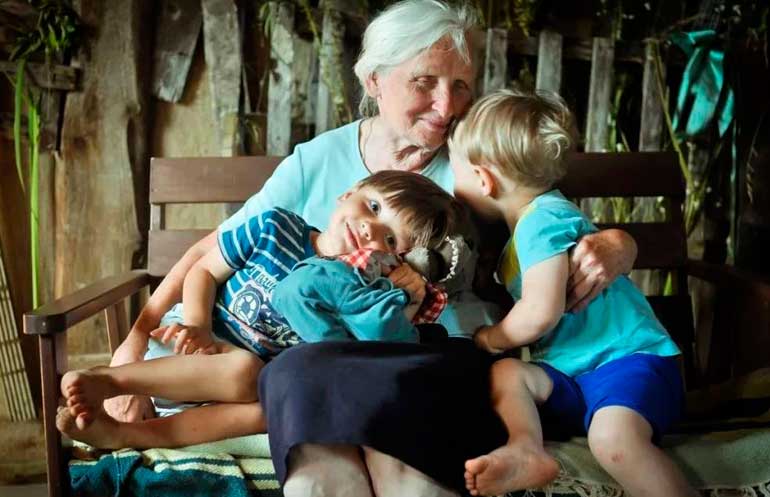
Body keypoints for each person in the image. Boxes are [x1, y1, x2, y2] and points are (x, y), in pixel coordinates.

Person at [105, 1, 639, 495]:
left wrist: (621, 243)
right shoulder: (320, 160)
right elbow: (216, 249)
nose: (446, 104)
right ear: (374, 80)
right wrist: (133, 341)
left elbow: (554, 220)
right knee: (297, 380)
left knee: (384, 385)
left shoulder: (474, 163)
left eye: (461, 85)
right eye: (425, 82)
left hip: (410, 358)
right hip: (304, 360)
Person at [56, 171, 459, 449]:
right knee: (246, 371)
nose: (370, 229)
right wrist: (197, 324)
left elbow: (373, 347)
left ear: (394, 260)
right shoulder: (275, 227)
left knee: (267, 406)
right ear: (347, 193)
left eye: (389, 239)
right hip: (183, 349)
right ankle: (109, 382)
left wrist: (406, 298)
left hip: (233, 391)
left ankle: (123, 436)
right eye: (372, 207)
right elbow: (203, 271)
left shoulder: (353, 292)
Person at [448, 89, 696, 497]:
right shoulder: (530, 226)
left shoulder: (541, 223)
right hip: (576, 375)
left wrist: (489, 338)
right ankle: (526, 449)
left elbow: (541, 312)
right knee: (509, 374)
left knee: (613, 442)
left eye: (456, 174)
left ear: (483, 179)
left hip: (628, 363)